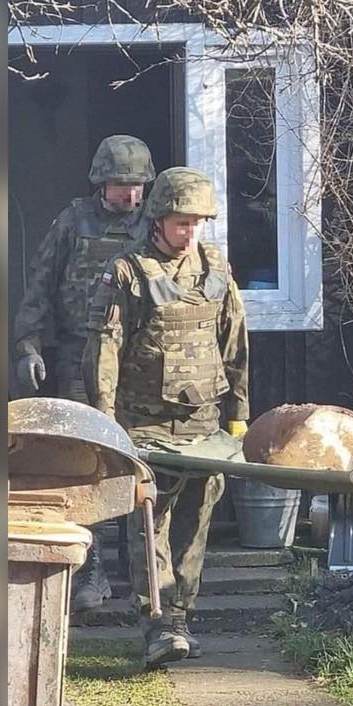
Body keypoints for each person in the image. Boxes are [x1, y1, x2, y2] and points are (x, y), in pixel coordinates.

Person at [84, 166, 250, 666]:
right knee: (147, 522)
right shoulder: (128, 272)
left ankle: (180, 614)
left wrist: (239, 414)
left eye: (198, 223)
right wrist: (105, 421)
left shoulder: (215, 269)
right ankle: (156, 622)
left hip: (204, 425)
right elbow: (104, 350)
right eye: (181, 223)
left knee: (196, 523)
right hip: (144, 425)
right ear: (158, 220)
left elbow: (235, 342)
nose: (190, 233)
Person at [12, 134, 156, 611]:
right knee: (86, 465)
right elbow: (40, 286)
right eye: (120, 186)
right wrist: (28, 347)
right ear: (101, 182)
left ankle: (145, 577)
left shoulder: (157, 225)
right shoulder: (74, 222)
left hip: (139, 365)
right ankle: (89, 573)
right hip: (79, 358)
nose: (130, 196)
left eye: (137, 186)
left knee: (136, 467)